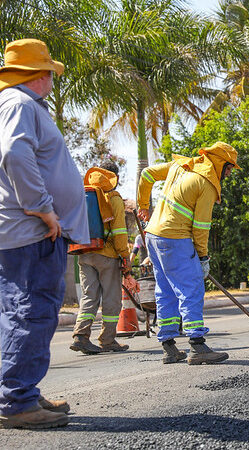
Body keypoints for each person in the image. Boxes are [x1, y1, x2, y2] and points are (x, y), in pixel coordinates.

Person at [0, 39, 89, 429]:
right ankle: (17, 401)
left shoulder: (16, 104)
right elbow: (14, 154)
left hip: (25, 232)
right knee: (31, 312)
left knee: (20, 312)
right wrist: (43, 208)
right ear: (40, 74)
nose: (53, 78)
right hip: (33, 231)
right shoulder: (20, 104)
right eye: (51, 72)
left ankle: (22, 390)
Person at [137, 142, 240, 365]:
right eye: (229, 168)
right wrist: (203, 257)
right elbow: (201, 227)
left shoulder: (181, 165)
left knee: (165, 291)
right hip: (175, 238)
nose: (229, 173)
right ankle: (197, 345)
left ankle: (169, 347)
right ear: (220, 163)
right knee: (191, 289)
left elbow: (147, 174)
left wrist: (143, 205)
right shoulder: (206, 183)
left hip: (153, 237)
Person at [70, 163, 131, 354]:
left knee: (89, 296)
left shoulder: (82, 196)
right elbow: (119, 233)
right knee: (112, 298)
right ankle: (107, 339)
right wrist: (125, 256)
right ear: (114, 178)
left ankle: (81, 336)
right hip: (107, 256)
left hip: (83, 253)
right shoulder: (113, 198)